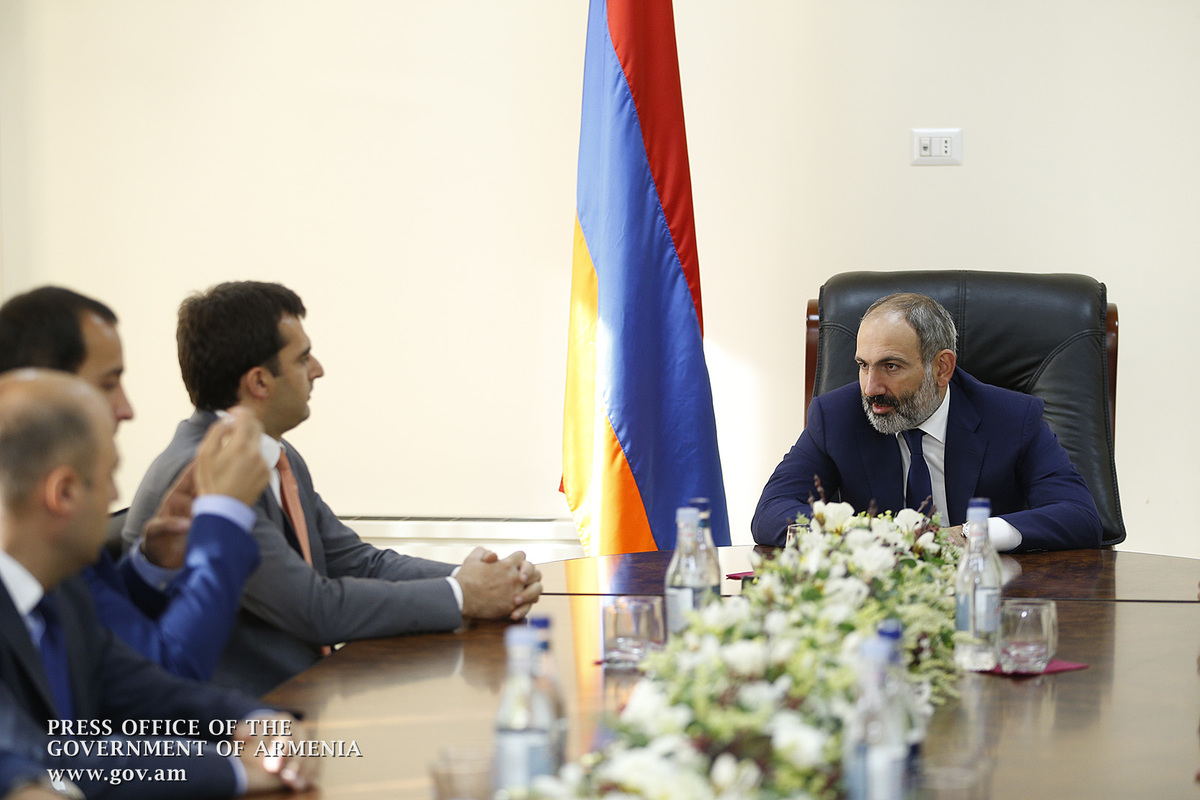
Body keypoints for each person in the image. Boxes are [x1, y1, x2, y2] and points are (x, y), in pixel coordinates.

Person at [123, 281, 543, 695]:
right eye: (303, 358)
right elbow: (314, 609)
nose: (318, 369)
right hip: (245, 720)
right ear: (260, 382)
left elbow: (358, 562)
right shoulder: (205, 477)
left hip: (307, 694)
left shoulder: (276, 455)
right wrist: (464, 594)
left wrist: (478, 578)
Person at [0, 370, 312, 798]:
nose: (115, 497)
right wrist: (236, 770)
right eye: (110, 475)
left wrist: (259, 721)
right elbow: (46, 762)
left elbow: (152, 692)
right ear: (64, 493)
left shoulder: (64, 594)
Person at [0, 287, 268, 680]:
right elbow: (165, 673)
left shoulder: (49, 515)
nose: (127, 409)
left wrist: (151, 565)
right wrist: (223, 519)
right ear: (47, 388)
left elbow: (108, 635)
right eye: (108, 384)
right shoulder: (33, 528)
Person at [751, 292, 1102, 552]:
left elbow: (1079, 516)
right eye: (863, 365)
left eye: (890, 366)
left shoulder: (1012, 418)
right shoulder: (836, 416)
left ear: (942, 368)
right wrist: (859, 537)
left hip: (987, 595)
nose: (870, 388)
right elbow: (771, 511)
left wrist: (969, 534)